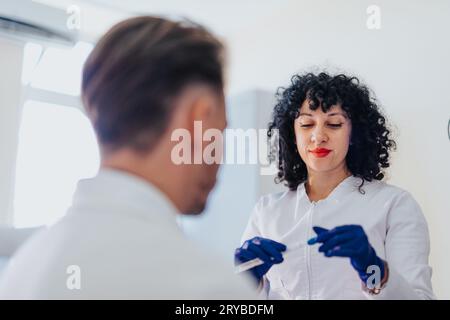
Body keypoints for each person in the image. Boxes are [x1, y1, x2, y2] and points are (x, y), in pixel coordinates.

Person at [0, 16, 256, 299]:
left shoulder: (25, 265)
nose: (220, 157)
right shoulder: (210, 287)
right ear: (198, 117)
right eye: (221, 131)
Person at [235, 72, 435, 299]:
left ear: (354, 132)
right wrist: (245, 283)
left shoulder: (393, 205)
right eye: (307, 124)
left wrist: (373, 268)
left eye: (334, 124)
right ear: (292, 134)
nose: (318, 136)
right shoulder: (267, 211)